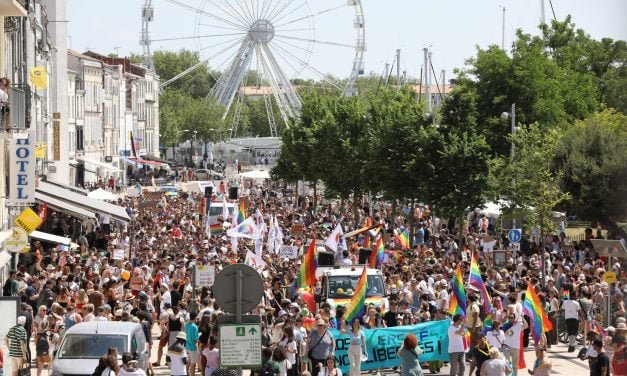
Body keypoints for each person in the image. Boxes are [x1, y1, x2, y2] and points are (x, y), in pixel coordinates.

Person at [184, 312, 199, 376]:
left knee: (188, 362)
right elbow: (195, 338)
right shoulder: (195, 327)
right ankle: (192, 374)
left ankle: (187, 373)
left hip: (186, 347)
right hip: (193, 347)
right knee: (193, 363)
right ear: (195, 317)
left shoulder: (186, 324)